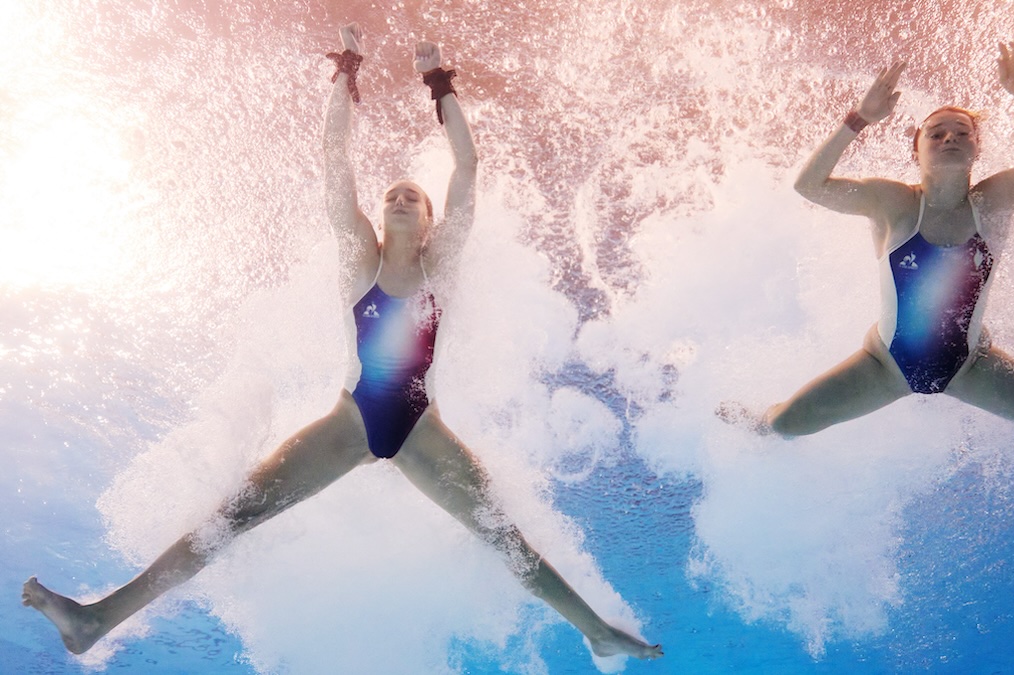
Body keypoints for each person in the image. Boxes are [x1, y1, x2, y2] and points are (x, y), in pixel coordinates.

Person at [22, 24, 662, 661]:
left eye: (413, 195)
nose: (402, 199)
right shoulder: (360, 261)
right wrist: (345, 72)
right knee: (231, 519)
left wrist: (439, 83)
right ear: (380, 216)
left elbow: (468, 164)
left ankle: (596, 631)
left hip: (419, 430)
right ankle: (97, 618)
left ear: (432, 217)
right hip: (351, 419)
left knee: (503, 538)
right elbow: (335, 161)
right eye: (392, 196)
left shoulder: (442, 270)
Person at [722, 41, 1014, 439]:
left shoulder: (994, 200)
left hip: (971, 367)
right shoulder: (891, 202)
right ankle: (756, 421)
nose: (950, 136)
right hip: (884, 366)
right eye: (936, 133)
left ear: (976, 149)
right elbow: (810, 186)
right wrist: (859, 120)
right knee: (783, 425)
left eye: (962, 132)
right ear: (917, 152)